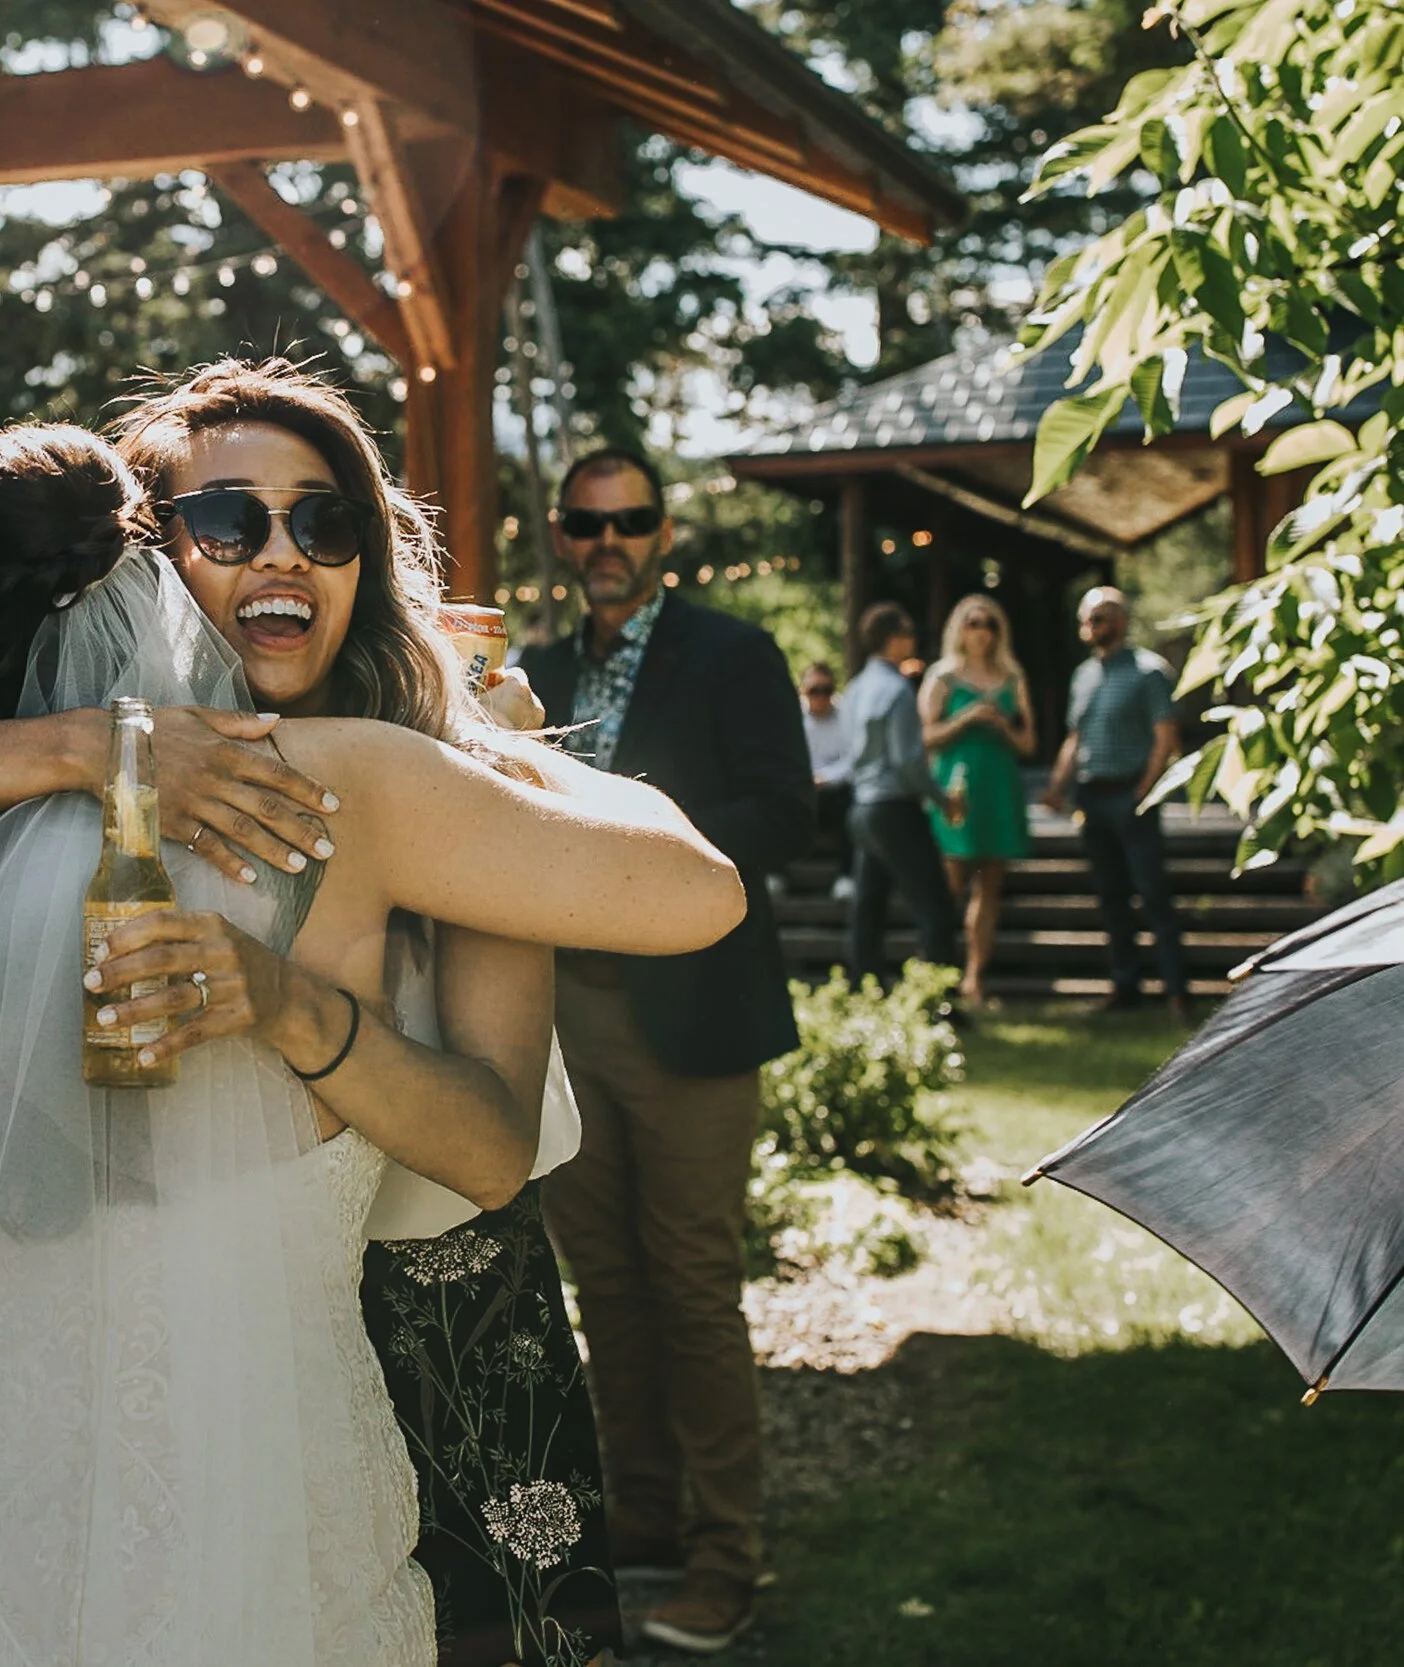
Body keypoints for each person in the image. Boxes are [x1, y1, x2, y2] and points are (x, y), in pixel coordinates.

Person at [0, 422, 745, 1667]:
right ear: (155, 557)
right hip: (281, 1487)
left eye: (322, 523)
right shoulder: (337, 786)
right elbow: (705, 895)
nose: (279, 553)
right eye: (227, 523)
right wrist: (500, 752)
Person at [518, 447, 814, 1656]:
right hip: (566, 1007)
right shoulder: (531, 670)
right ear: (561, 532)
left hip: (692, 1008)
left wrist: (636, 846)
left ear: (664, 531)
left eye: (629, 520)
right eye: (588, 523)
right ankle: (639, 1514)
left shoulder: (734, 653)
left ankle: (724, 1557)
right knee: (606, 1279)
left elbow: (783, 811)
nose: (608, 541)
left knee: (693, 1284)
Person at [1041, 585, 1189, 1020]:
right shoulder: (1082, 676)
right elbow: (1076, 737)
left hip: (1132, 795)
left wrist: (1145, 789)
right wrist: (1057, 785)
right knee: (1111, 897)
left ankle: (1178, 991)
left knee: (1153, 894)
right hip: (1093, 795)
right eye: (1086, 619)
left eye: (1100, 618)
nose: (1092, 626)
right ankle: (1125, 986)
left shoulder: (1149, 672)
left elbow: (1166, 737)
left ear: (1120, 621)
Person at [835, 602, 964, 989]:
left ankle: (863, 988)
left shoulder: (855, 688)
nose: (913, 638)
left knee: (868, 908)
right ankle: (940, 999)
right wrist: (944, 800)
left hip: (862, 807)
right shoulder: (898, 690)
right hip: (894, 807)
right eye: (908, 631)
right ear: (893, 639)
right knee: (935, 905)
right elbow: (908, 762)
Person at [919, 594, 1036, 1007]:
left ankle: (975, 978)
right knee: (949, 885)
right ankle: (938, 976)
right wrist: (967, 717)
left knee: (990, 887)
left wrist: (1001, 724)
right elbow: (924, 737)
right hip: (957, 789)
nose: (981, 630)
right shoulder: (943, 677)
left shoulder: (1012, 677)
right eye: (973, 622)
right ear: (960, 628)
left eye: (989, 623)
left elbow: (1028, 743)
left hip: (998, 787)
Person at [800, 661, 857, 901]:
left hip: (836, 791)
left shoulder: (847, 715)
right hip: (802, 792)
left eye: (827, 690)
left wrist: (827, 778)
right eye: (815, 690)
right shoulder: (792, 718)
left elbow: (854, 757)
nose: (821, 697)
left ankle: (847, 876)